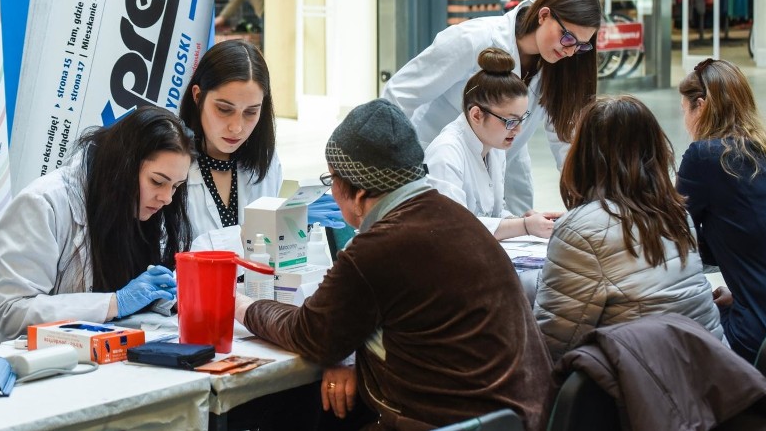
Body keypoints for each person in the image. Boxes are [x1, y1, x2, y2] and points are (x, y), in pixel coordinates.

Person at [235, 99, 554, 430]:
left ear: (356, 192)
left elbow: (311, 333)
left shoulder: (377, 248)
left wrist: (242, 305)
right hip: (524, 418)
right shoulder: (458, 218)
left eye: (332, 181)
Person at [0, 107, 194, 349]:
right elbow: (13, 313)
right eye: (157, 181)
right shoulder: (42, 204)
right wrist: (115, 303)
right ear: (122, 165)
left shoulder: (144, 208)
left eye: (176, 186)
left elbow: (132, 287)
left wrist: (164, 297)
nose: (167, 198)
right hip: (6, 367)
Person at [382, 0, 603, 215]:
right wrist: (395, 172)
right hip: (436, 162)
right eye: (567, 37)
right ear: (544, 15)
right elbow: (400, 94)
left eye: (580, 46)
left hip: (503, 164)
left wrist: (592, 204)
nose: (569, 51)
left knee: (515, 235)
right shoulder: (474, 39)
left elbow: (565, 139)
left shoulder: (560, 67)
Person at [533, 95, 723, 362]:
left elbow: (553, 346)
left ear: (584, 154)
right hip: (710, 379)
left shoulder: (579, 232)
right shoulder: (677, 214)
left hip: (645, 388)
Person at [676, 58, 766, 363]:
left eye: (684, 111)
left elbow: (670, 236)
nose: (685, 122)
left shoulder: (704, 157)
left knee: (663, 338)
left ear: (701, 105)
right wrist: (743, 293)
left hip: (763, 338)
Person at [425, 47, 558, 240]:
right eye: (511, 121)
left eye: (522, 119)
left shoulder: (493, 146)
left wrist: (519, 220)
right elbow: (453, 226)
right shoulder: (445, 153)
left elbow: (491, 213)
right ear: (477, 115)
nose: (518, 130)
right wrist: (523, 226)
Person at [178, 39, 282, 238]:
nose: (236, 128)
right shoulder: (170, 164)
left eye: (251, 112)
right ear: (198, 96)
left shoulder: (266, 160)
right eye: (224, 109)